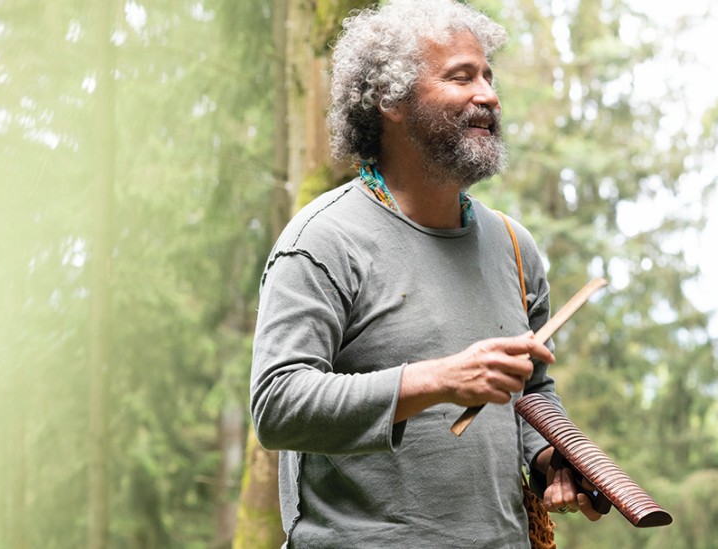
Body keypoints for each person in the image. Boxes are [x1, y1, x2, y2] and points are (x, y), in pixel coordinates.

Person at [250, 1, 601, 546]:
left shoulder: (514, 247)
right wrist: (438, 380)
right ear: (390, 99)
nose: (487, 94)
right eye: (461, 77)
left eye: (488, 75)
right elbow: (279, 405)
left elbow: (532, 392)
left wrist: (552, 456)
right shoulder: (322, 240)